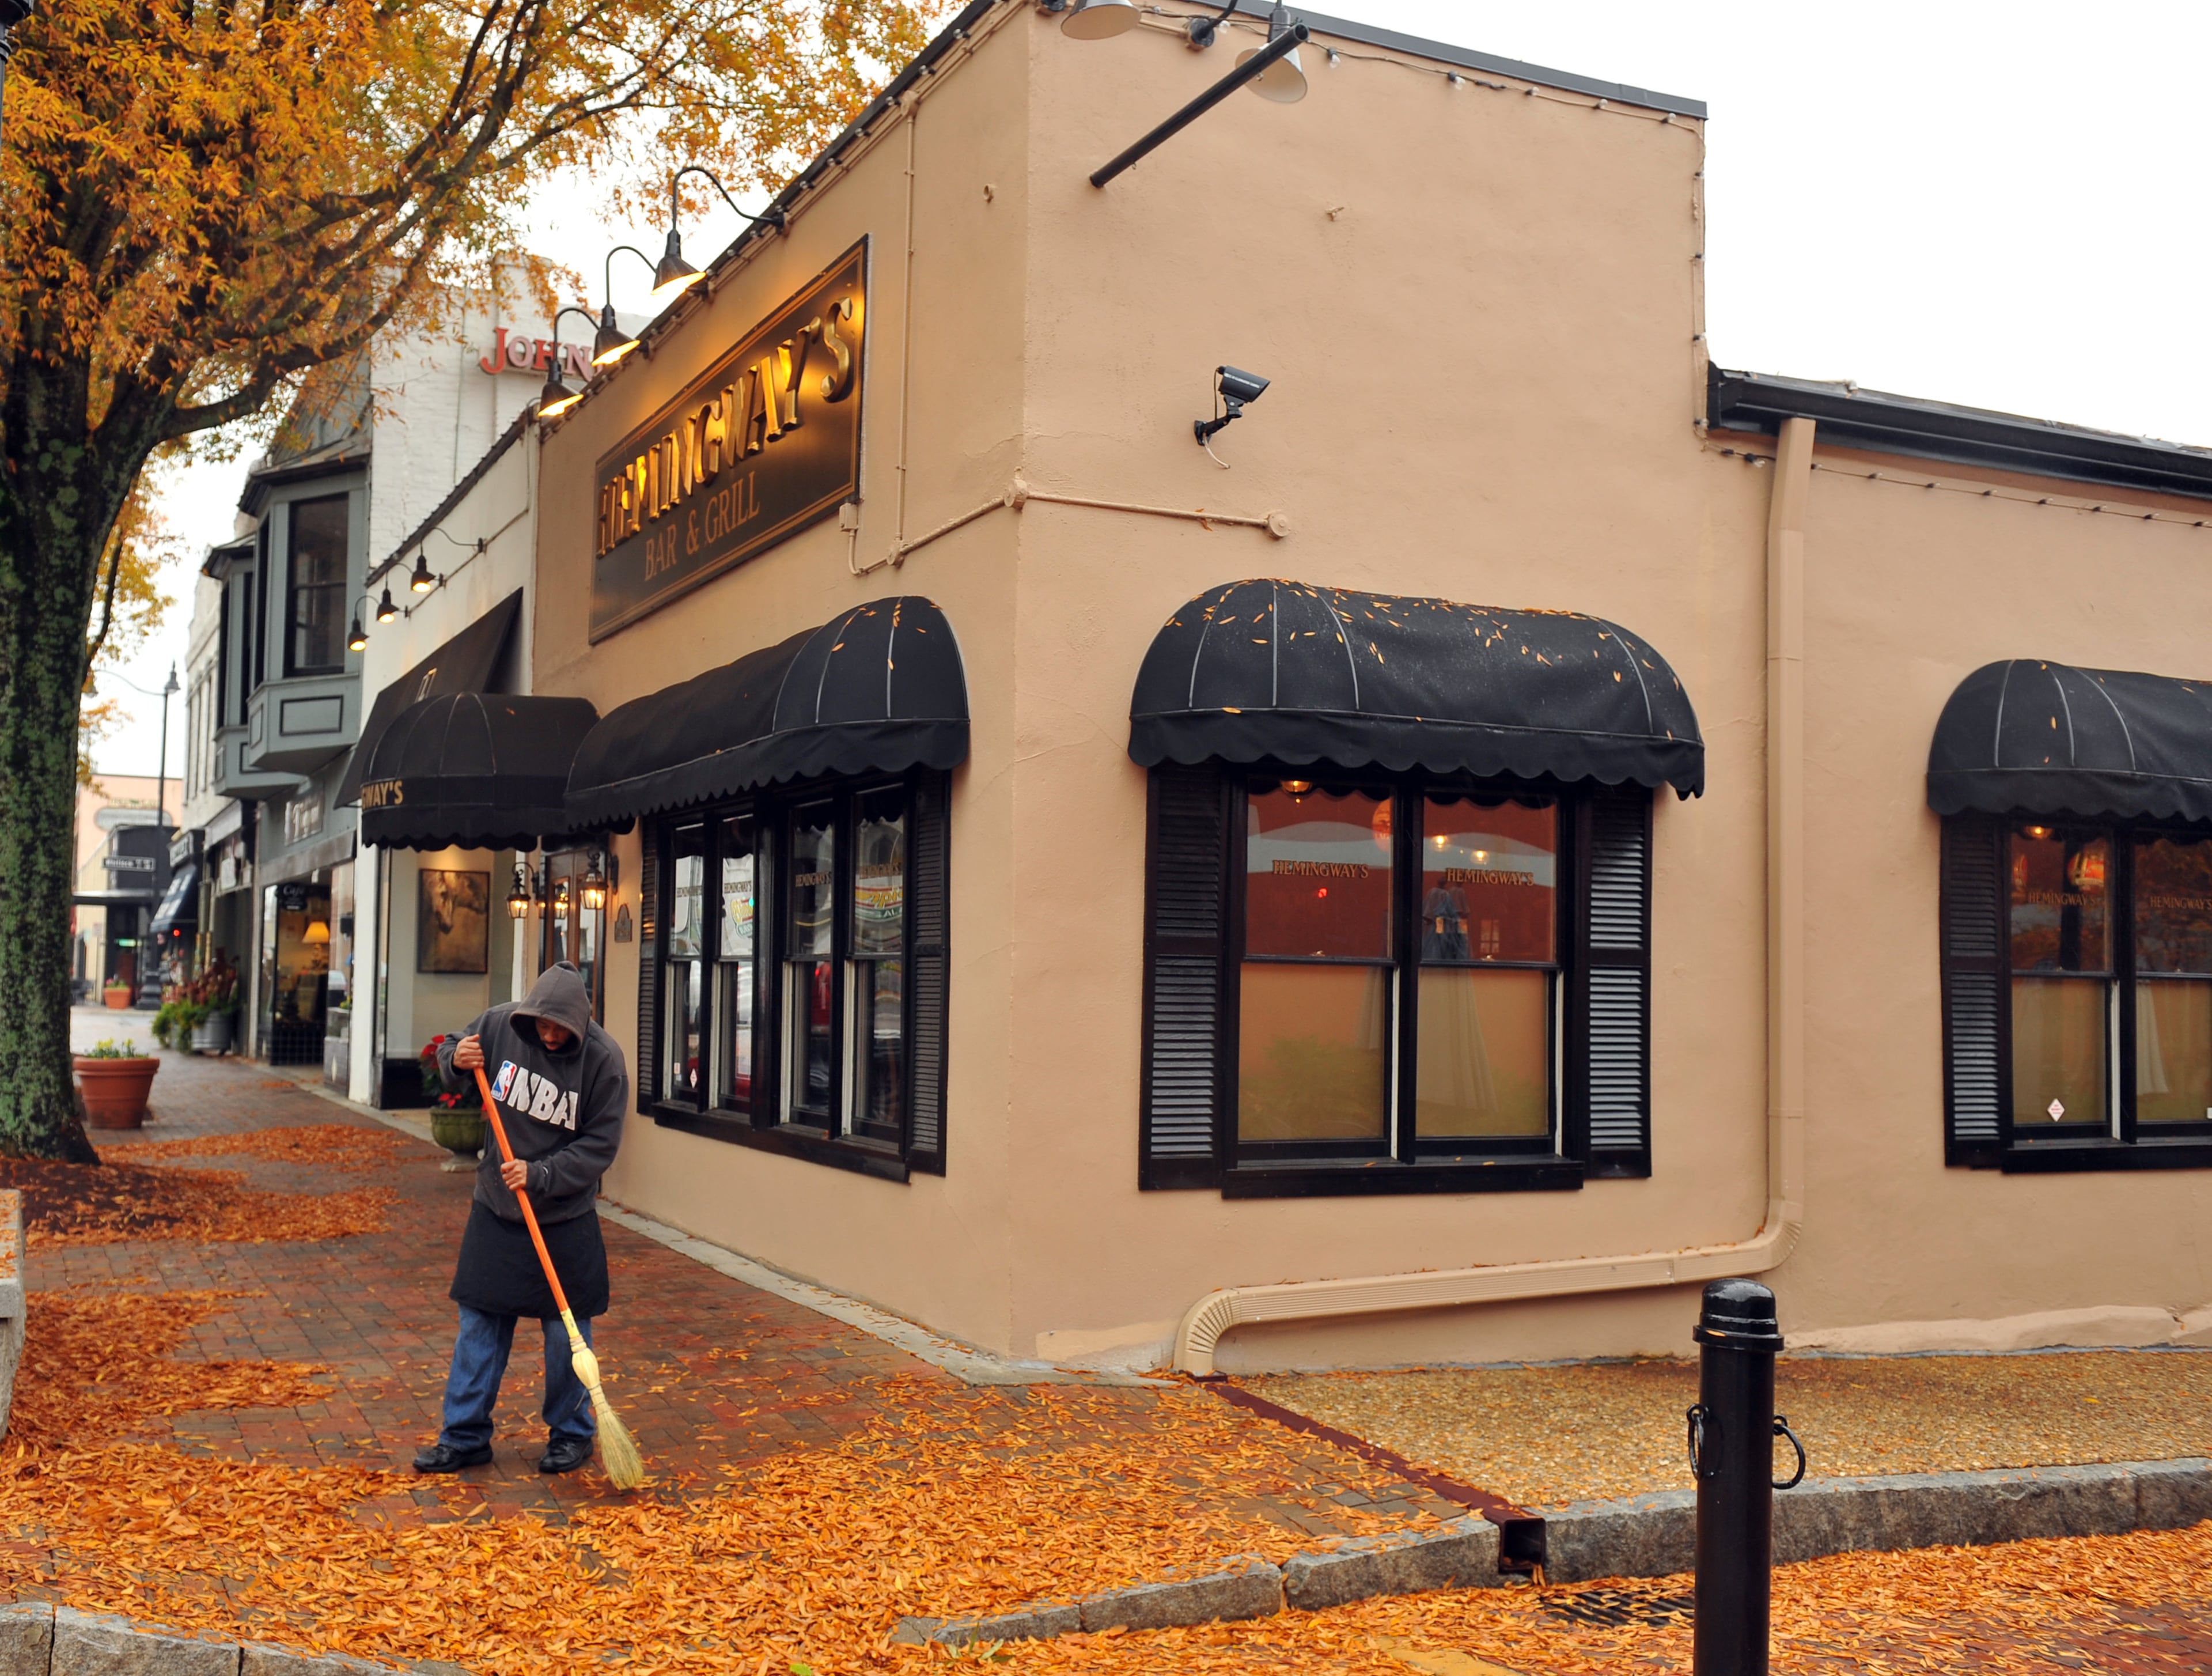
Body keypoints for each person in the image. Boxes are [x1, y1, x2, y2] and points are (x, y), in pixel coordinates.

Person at [412, 960, 628, 1476]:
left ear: (583, 1023)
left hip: (564, 1216)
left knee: (565, 1336)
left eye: (562, 1030)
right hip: (497, 1207)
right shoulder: (501, 1023)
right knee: (479, 1327)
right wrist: (455, 1057)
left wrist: (542, 1173)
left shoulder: (604, 1062)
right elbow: (453, 1049)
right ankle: (464, 1436)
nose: (550, 1036)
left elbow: (600, 1146)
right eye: (543, 1026)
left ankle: (572, 1434)